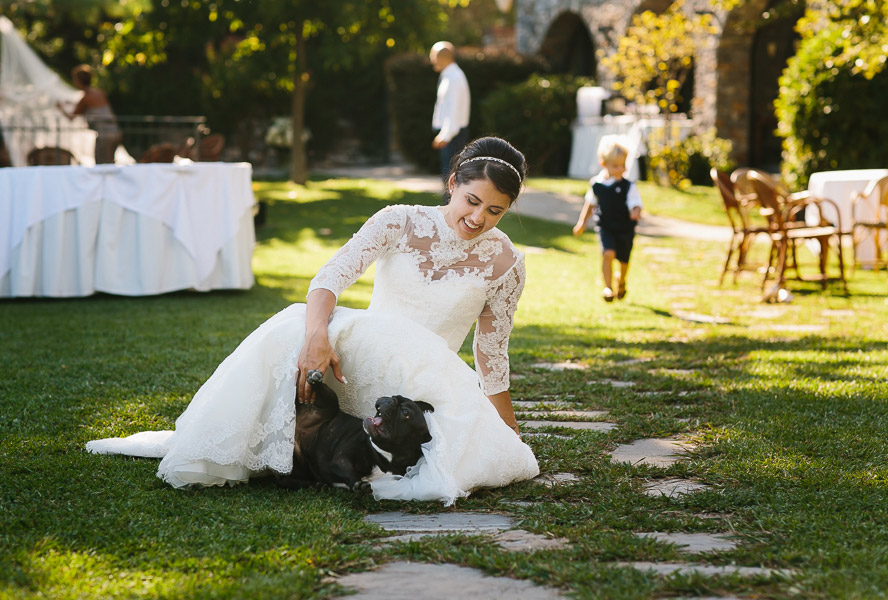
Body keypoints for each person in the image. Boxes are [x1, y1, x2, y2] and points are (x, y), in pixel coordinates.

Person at [86, 136, 540, 506]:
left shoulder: (506, 263)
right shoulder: (400, 221)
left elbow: (491, 356)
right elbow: (330, 278)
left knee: (475, 457)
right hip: (358, 362)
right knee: (292, 323)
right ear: (452, 182)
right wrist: (316, 336)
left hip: (418, 386)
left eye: (495, 211)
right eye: (472, 200)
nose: (477, 218)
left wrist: (507, 433)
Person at [573, 135, 642, 302]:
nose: (622, 169)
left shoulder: (628, 186)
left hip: (625, 228)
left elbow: (635, 202)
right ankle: (608, 287)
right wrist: (582, 223)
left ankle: (622, 280)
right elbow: (590, 204)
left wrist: (635, 210)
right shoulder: (596, 184)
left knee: (624, 260)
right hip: (606, 226)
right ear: (603, 164)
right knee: (608, 253)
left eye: (623, 165)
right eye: (616, 166)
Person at [57, 64, 122, 164]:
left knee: (102, 165)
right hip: (115, 131)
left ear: (78, 81)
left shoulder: (86, 98)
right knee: (110, 163)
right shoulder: (99, 93)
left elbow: (72, 117)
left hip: (104, 135)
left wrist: (61, 108)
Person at [430, 41, 470, 186]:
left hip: (453, 136)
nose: (432, 60)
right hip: (451, 134)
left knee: (451, 180)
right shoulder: (449, 76)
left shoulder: (455, 77)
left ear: (442, 56)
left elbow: (454, 109)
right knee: (448, 179)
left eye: (433, 56)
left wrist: (445, 135)